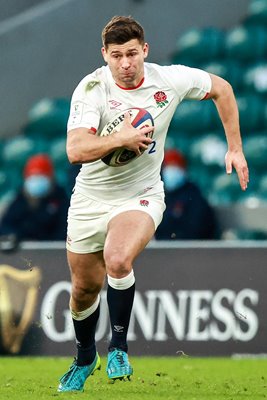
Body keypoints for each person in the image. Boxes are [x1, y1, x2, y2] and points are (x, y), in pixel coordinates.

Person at [58, 15, 249, 392]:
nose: (125, 64)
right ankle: (84, 355)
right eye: (117, 56)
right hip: (90, 199)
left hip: (140, 195)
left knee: (118, 258)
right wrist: (120, 139)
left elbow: (222, 89)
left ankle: (118, 347)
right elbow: (75, 149)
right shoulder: (93, 88)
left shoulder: (169, 80)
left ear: (145, 50)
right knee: (82, 289)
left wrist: (236, 149)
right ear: (105, 56)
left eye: (132, 54)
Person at [0, 154, 69, 247]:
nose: (36, 180)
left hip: (54, 252)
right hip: (23, 252)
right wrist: (16, 238)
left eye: (41, 176)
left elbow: (64, 231)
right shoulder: (20, 199)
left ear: (51, 178)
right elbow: (7, 226)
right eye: (33, 176)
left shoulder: (61, 199)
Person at [155, 148, 218, 240]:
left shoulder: (194, 195)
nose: (171, 171)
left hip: (192, 248)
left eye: (175, 166)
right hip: (164, 248)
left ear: (183, 170)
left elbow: (198, 228)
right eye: (168, 166)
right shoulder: (161, 195)